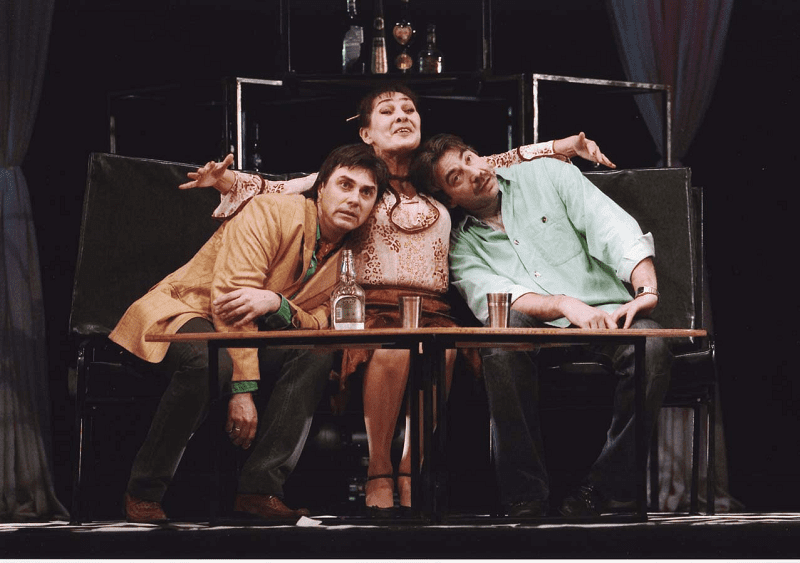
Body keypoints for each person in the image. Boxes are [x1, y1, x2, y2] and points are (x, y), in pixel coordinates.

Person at [180, 83, 615, 515]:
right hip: (372, 307)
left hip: (434, 308)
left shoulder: (436, 178)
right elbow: (281, 188)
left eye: (409, 108)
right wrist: (226, 180)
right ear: (366, 132)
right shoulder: (359, 180)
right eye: (387, 111)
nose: (402, 116)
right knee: (394, 351)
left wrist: (561, 146)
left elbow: (496, 162)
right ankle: (380, 471)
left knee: (442, 353)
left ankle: (411, 471)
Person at [109, 143, 388, 523]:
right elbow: (230, 300)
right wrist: (242, 391)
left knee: (316, 353)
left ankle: (260, 490)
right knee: (210, 362)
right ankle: (143, 491)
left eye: (367, 192)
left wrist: (277, 304)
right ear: (321, 187)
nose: (354, 199)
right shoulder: (271, 211)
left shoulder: (353, 255)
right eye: (345, 185)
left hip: (253, 333)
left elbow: (322, 323)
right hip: (187, 308)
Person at [409, 133, 672, 518]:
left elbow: (611, 228)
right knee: (501, 330)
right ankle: (525, 497)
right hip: (536, 331)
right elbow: (497, 296)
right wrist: (564, 304)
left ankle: (603, 489)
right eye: (455, 177)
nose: (474, 172)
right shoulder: (460, 245)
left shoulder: (547, 175)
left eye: (469, 158)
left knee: (653, 347)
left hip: (607, 315)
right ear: (448, 198)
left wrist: (645, 289)